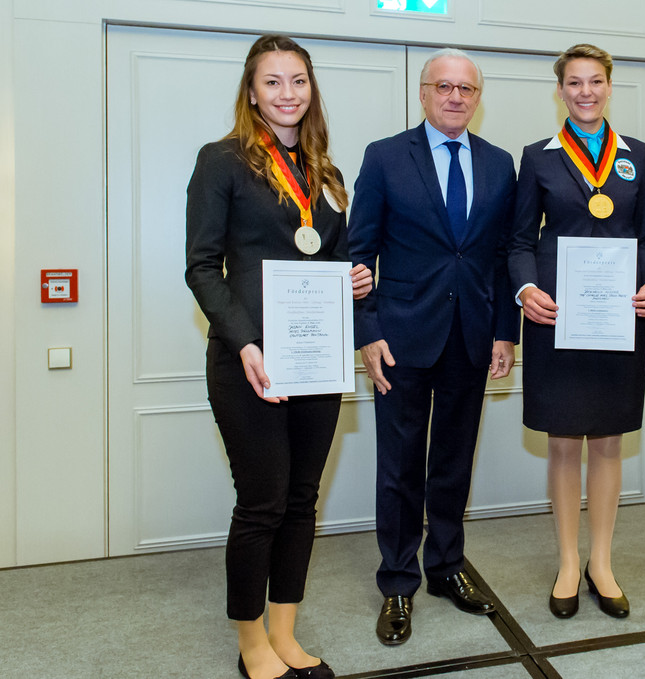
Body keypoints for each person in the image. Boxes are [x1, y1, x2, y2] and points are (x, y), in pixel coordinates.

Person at [185, 35, 372, 679]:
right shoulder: (222, 161)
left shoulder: (327, 174)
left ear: (311, 89)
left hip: (315, 359)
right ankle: (251, 643)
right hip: (250, 363)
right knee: (261, 504)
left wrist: (354, 277)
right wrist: (245, 342)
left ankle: (286, 633)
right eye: (273, 81)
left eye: (298, 81)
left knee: (300, 501)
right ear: (252, 90)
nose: (287, 94)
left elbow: (332, 257)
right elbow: (202, 267)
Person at [348, 48, 518, 646]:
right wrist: (367, 332)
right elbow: (358, 253)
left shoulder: (499, 164)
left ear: (478, 98)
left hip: (471, 337)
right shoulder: (385, 157)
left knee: (452, 461)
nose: (454, 97)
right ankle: (398, 581)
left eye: (465, 89)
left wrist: (505, 331)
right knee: (399, 467)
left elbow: (502, 256)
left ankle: (446, 566)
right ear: (422, 94)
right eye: (443, 86)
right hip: (400, 339)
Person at [508, 43, 645, 620]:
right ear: (560, 91)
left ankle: (602, 561)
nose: (585, 92)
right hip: (557, 317)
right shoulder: (539, 157)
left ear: (609, 86)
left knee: (608, 440)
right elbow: (519, 240)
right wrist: (527, 289)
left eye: (595, 81)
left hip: (619, 317)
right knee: (562, 440)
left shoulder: (637, 155)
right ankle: (569, 562)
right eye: (574, 82)